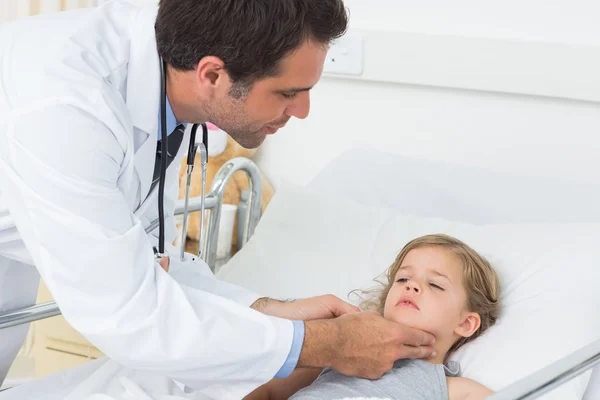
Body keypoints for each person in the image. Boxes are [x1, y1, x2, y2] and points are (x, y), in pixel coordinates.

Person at [0, 0, 436, 397]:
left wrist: (268, 312)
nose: (302, 111)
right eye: (287, 93)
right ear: (211, 75)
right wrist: (324, 344)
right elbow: (128, 312)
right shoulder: (64, 106)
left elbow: (152, 263)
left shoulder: (170, 77)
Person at [245, 234, 501, 400]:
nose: (411, 286)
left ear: (466, 323)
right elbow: (267, 392)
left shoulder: (447, 389)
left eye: (435, 285)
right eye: (403, 278)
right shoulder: (338, 354)